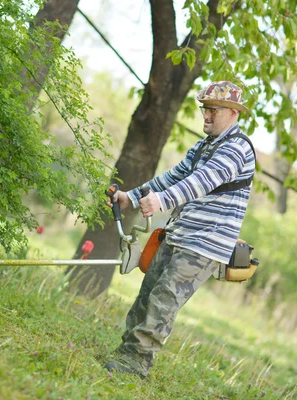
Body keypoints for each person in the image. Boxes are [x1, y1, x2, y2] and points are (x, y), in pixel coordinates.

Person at [104, 81, 256, 379]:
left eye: (214, 110)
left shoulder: (238, 148)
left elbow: (203, 180)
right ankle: (125, 355)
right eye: (205, 108)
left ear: (233, 113)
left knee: (163, 300)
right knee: (146, 296)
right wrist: (131, 197)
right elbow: (173, 177)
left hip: (204, 244)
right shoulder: (203, 146)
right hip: (179, 233)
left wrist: (161, 201)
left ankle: (135, 366)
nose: (207, 115)